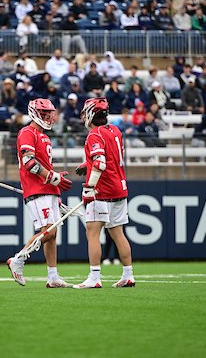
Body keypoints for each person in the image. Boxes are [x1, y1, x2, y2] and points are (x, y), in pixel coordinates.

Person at [6, 99, 73, 288]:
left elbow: (45, 166)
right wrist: (52, 178)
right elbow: (29, 163)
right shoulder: (27, 132)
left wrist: (56, 190)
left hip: (48, 190)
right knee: (48, 231)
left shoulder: (44, 136)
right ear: (34, 113)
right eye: (44, 114)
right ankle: (17, 260)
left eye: (49, 114)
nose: (48, 117)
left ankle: (53, 277)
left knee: (52, 233)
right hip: (37, 189)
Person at [73, 97, 135, 289]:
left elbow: (100, 163)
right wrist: (87, 164)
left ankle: (94, 277)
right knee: (118, 233)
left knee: (92, 232)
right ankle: (128, 275)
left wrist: (89, 187)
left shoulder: (94, 135)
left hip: (102, 190)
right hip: (120, 187)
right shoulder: (115, 130)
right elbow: (109, 157)